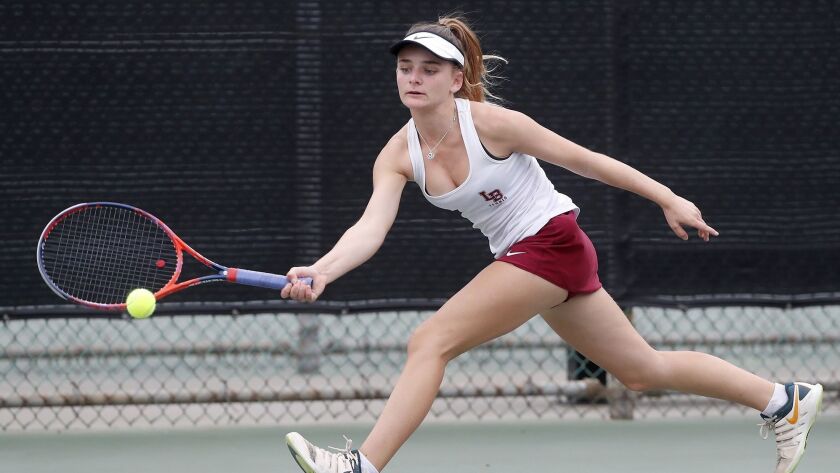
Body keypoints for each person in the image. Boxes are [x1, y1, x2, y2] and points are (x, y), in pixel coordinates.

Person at [281, 16, 822, 473]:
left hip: (550, 243)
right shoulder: (397, 153)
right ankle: (783, 401)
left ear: (456, 78)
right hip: (530, 256)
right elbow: (370, 228)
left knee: (430, 340)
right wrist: (325, 269)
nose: (414, 78)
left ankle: (361, 466)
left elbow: (589, 161)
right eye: (405, 68)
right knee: (641, 371)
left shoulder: (494, 124)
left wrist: (669, 198)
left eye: (429, 69)